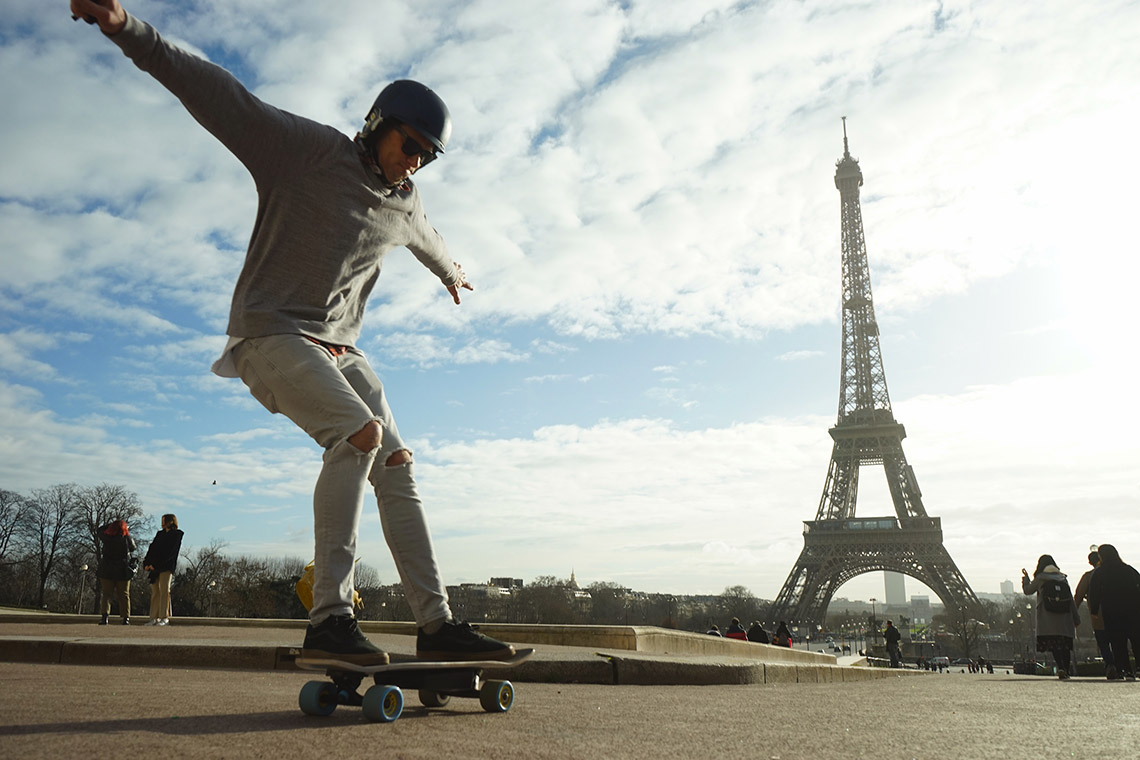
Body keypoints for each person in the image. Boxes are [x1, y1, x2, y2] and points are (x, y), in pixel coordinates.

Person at [70, 0, 512, 664]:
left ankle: (437, 625)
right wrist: (125, 27)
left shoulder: (407, 201)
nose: (413, 163)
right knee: (356, 435)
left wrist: (452, 272)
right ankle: (330, 618)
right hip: (270, 336)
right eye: (408, 146)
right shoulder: (305, 151)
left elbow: (427, 238)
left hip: (341, 349)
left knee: (396, 464)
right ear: (378, 126)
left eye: (426, 157)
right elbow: (219, 93)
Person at [1021, 555, 1080, 680]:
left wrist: (1025, 579)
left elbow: (1028, 590)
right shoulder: (1063, 578)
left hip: (1048, 618)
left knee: (1054, 645)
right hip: (1065, 617)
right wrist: (1076, 617)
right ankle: (1067, 670)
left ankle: (1061, 667)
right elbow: (1071, 600)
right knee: (1065, 646)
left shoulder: (1041, 579)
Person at [1088, 544, 1140, 681]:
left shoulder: (1100, 572)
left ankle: (1126, 670)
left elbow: (1094, 592)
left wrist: (1094, 609)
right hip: (1132, 610)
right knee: (1136, 640)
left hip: (1111, 611)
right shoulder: (1128, 570)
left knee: (1118, 642)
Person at [1072, 549, 1112, 677]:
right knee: (1118, 640)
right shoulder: (1115, 572)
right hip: (1118, 612)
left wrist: (1074, 614)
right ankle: (1125, 667)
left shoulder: (1088, 576)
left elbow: (1078, 597)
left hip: (1098, 614)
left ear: (1090, 562)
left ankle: (1111, 664)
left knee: (1102, 641)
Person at [143, 513, 183, 626]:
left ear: (170, 521)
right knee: (155, 592)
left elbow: (171, 552)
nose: (162, 523)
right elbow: (152, 548)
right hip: (155, 568)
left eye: (164, 520)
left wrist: (156, 564)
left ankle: (164, 617)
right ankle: (153, 617)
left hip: (166, 567)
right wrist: (147, 563)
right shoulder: (160, 534)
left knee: (164, 590)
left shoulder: (176, 535)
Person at [95, 519, 137, 625]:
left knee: (106, 594)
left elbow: (99, 529)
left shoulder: (106, 538)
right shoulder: (127, 539)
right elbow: (133, 548)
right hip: (122, 570)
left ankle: (105, 617)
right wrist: (122, 527)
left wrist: (112, 526)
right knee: (124, 595)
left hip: (107, 569)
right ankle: (125, 618)